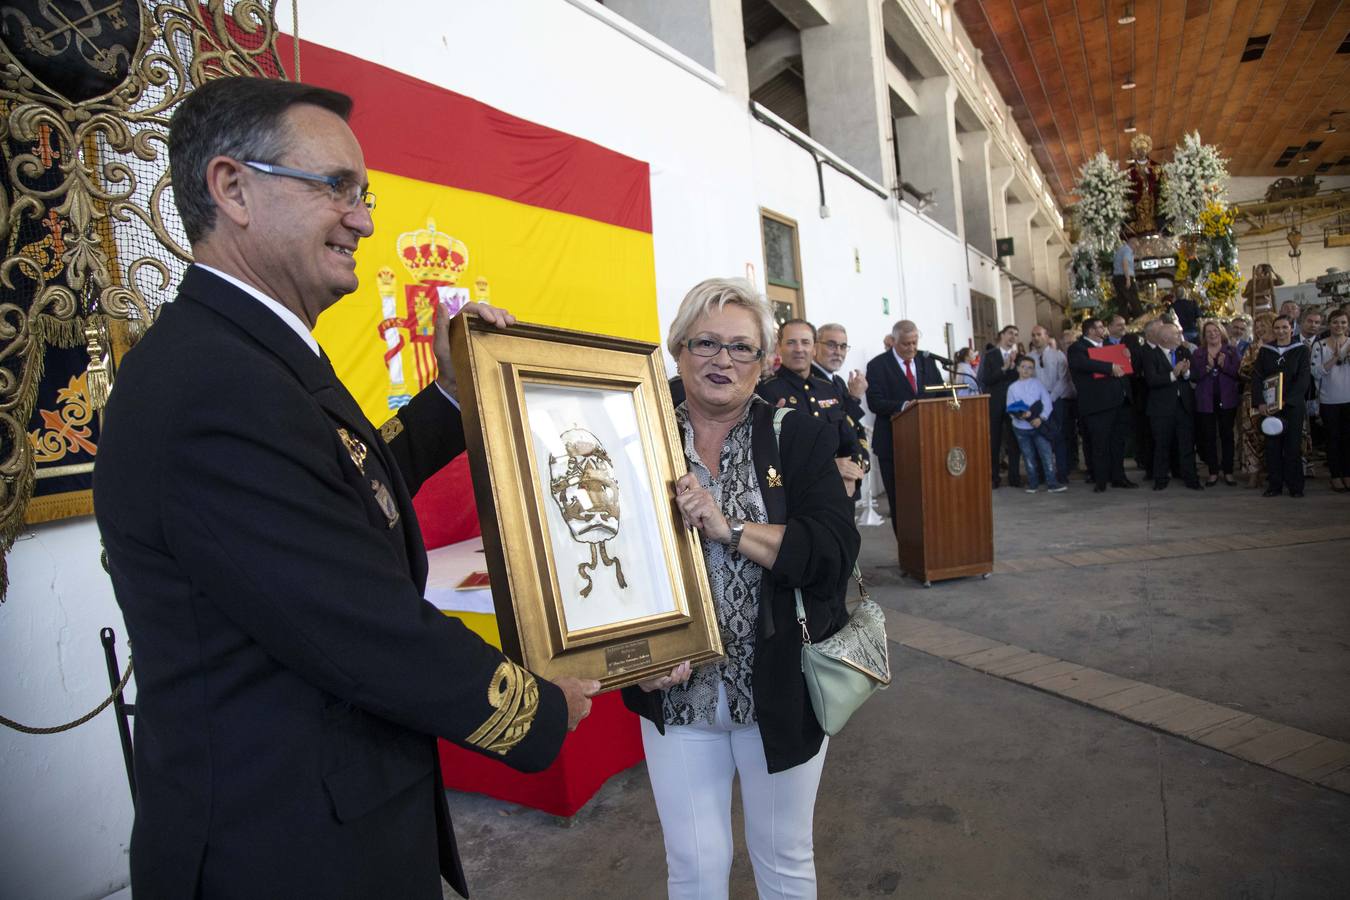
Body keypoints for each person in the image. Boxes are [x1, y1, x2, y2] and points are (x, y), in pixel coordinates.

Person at [92, 78, 597, 899]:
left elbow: (348, 498)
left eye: (365, 194)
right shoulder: (212, 386)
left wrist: (450, 400)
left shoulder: (248, 356)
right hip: (280, 852)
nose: (363, 219)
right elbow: (357, 623)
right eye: (337, 188)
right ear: (233, 189)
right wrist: (533, 708)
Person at [622, 278, 859, 899]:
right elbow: (599, 552)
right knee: (694, 866)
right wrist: (631, 653)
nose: (721, 360)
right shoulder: (632, 432)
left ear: (764, 362)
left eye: (740, 347)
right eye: (704, 342)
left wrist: (728, 528)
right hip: (675, 693)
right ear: (677, 350)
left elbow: (833, 551)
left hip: (779, 689)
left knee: (783, 860)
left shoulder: (797, 432)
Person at [759, 319, 868, 496]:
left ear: (814, 348)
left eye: (805, 342)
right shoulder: (766, 391)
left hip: (838, 492)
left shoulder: (829, 388)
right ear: (779, 347)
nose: (799, 349)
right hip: (796, 496)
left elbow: (849, 437)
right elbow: (768, 455)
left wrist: (854, 472)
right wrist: (830, 468)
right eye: (791, 342)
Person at [865, 319, 944, 525]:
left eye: (915, 343)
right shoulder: (877, 366)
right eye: (906, 344)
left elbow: (940, 393)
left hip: (929, 440)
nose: (912, 348)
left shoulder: (927, 361)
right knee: (901, 502)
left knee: (931, 497)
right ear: (893, 341)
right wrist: (903, 406)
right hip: (893, 445)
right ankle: (907, 550)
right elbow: (875, 402)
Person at [1068, 317, 1135, 493]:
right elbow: (1082, 364)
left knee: (1117, 443)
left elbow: (1121, 367)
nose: (1103, 329)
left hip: (1117, 402)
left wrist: (1125, 357)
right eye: (1099, 327)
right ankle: (1100, 480)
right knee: (1099, 445)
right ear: (1090, 331)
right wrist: (1109, 366)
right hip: (1097, 405)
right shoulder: (1077, 348)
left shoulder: (1108, 346)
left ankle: (1119, 477)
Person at [1253, 315, 1312, 497]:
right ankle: (1275, 485)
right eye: (1277, 328)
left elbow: (1303, 379)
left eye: (1285, 327)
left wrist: (1286, 400)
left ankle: (1295, 486)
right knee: (1272, 446)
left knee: (1293, 446)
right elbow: (1257, 378)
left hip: (1292, 406)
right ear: (1273, 329)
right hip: (1270, 406)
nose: (1281, 331)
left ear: (1291, 329)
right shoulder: (1266, 351)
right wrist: (1260, 402)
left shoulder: (1301, 350)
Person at [1142, 322, 1202, 490]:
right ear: (1165, 337)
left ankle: (1191, 478)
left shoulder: (1183, 352)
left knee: (1187, 444)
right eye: (1176, 334)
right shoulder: (1151, 355)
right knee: (1161, 445)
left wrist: (1186, 373)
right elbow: (1152, 380)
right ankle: (1160, 479)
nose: (1180, 337)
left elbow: (1195, 375)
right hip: (1161, 409)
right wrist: (1173, 374)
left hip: (1183, 407)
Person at [811, 322, 872, 481]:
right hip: (828, 475)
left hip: (851, 472)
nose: (838, 352)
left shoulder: (838, 381)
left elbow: (855, 426)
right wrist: (854, 398)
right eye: (831, 345)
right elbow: (836, 428)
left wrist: (863, 458)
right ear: (815, 346)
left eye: (843, 346)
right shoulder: (810, 382)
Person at [1191, 319, 1242, 486]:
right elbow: (1193, 376)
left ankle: (1228, 471)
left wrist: (1224, 365)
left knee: (1227, 435)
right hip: (1206, 400)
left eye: (1215, 331)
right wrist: (1205, 369)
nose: (1213, 334)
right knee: (1209, 436)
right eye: (1209, 332)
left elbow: (1239, 373)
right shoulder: (1198, 353)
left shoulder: (1232, 351)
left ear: (1221, 332)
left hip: (1227, 399)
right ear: (1204, 335)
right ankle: (1212, 471)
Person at [1006, 355, 1067, 493]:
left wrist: (1041, 418)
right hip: (1021, 428)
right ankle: (1033, 483)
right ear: (1017, 368)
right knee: (1028, 456)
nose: (1026, 370)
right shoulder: (1012, 388)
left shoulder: (1038, 384)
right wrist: (1021, 415)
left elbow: (1047, 403)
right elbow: (1010, 407)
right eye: (1023, 367)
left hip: (1038, 425)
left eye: (1030, 368)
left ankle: (1052, 482)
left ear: (1033, 370)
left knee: (1046, 454)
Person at [977, 325, 1023, 488]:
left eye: (1016, 335)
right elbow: (984, 379)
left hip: (1013, 403)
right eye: (1010, 333)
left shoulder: (1018, 357)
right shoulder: (990, 355)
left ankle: (1014, 477)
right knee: (994, 441)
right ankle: (993, 477)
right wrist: (1004, 368)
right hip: (994, 402)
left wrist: (1013, 367)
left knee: (1014, 440)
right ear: (1002, 335)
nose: (1013, 337)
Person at [1028, 325, 1072, 484]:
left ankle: (1062, 473)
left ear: (1046, 336)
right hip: (1036, 402)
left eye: (1039, 334)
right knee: (1038, 437)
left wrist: (1051, 397)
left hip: (1054, 399)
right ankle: (1042, 474)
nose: (1036, 338)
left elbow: (1064, 379)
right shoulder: (1029, 357)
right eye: (1033, 335)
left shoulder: (1057, 355)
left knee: (1058, 436)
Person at [1312, 308, 1350, 491]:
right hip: (1329, 400)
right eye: (1335, 322)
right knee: (1333, 439)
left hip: (1348, 398)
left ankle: (1347, 473)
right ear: (1329, 324)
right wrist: (1335, 358)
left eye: (1343, 322)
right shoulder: (1320, 345)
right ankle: (1335, 475)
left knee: (1347, 439)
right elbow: (1315, 372)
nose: (1339, 326)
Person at [1237, 313, 1275, 488]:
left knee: (1273, 433)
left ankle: (1273, 472)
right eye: (1256, 326)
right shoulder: (1252, 348)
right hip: (1251, 396)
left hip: (1275, 396)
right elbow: (1243, 372)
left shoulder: (1279, 347)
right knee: (1251, 434)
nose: (1259, 329)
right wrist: (1258, 354)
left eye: (1263, 325)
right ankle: (1253, 472)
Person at [1112, 240, 1142, 318]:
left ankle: (1123, 319)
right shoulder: (1127, 250)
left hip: (1117, 277)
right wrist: (1128, 279)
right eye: (1136, 246)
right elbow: (1125, 263)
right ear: (1131, 244)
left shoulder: (1121, 250)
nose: (1136, 248)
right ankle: (1140, 318)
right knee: (1134, 299)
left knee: (1122, 302)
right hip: (1124, 277)